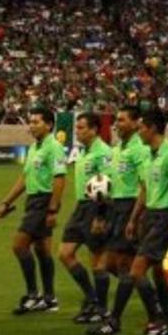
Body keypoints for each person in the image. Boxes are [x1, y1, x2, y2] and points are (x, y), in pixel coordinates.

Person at [90, 107, 168, 335]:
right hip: (149, 215)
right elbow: (144, 188)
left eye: (142, 127)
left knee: (135, 270)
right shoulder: (152, 154)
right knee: (157, 273)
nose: (139, 131)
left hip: (162, 217)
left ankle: (146, 322)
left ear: (152, 128)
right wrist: (135, 219)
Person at [0, 107, 67, 314]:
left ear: (49, 125)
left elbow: (60, 179)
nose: (31, 126)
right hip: (33, 201)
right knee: (42, 250)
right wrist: (6, 202)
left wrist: (52, 210)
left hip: (44, 202)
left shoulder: (54, 147)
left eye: (36, 122)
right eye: (30, 122)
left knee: (19, 246)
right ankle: (50, 299)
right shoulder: (34, 147)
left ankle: (33, 295)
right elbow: (24, 179)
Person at [87, 106, 150, 326]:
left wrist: (136, 218)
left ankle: (113, 318)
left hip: (132, 208)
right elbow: (109, 187)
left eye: (122, 120)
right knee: (124, 267)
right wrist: (101, 215)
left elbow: (145, 186)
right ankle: (155, 307)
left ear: (135, 123)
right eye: (116, 120)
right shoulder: (116, 150)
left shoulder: (139, 150)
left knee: (121, 265)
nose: (116, 124)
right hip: (116, 209)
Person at [59, 112, 113, 322]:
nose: (77, 131)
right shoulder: (83, 151)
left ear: (94, 129)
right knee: (65, 253)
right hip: (80, 206)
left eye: (81, 127)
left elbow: (106, 185)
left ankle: (101, 308)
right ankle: (92, 298)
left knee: (98, 260)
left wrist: (100, 216)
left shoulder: (103, 153)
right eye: (77, 127)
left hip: (96, 207)